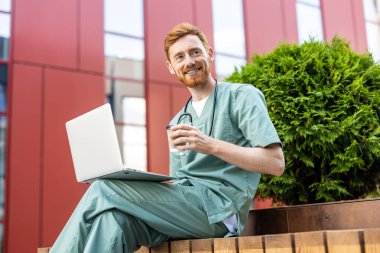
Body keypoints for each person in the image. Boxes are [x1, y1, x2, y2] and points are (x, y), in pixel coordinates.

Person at [50, 22, 285, 253]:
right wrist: (138, 181)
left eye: (195, 52)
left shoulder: (242, 97)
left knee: (103, 188)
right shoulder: (178, 122)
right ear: (171, 67)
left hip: (221, 212)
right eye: (180, 57)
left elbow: (275, 163)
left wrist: (211, 145)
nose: (189, 61)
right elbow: (180, 181)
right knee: (112, 221)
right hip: (185, 211)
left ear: (209, 54)